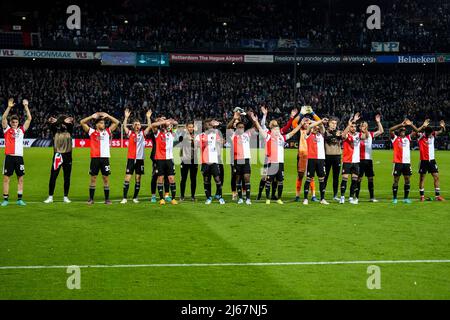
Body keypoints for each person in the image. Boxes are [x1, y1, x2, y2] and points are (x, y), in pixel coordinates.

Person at [250, 112, 302, 204]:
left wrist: (300, 125)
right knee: (268, 180)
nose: (277, 131)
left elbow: (293, 132)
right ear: (272, 130)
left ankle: (278, 199)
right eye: (275, 130)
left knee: (280, 181)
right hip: (271, 162)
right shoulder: (268, 137)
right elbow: (260, 129)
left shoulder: (282, 138)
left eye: (278, 130)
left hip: (280, 163)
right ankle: (267, 199)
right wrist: (255, 121)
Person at [80, 112, 120, 205]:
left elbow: (117, 122)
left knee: (105, 178)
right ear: (97, 124)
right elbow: (82, 122)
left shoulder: (107, 132)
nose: (103, 124)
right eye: (101, 123)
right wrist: (91, 116)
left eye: (104, 123)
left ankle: (107, 199)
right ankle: (91, 199)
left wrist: (108, 116)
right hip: (95, 158)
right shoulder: (92, 132)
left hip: (105, 158)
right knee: (93, 178)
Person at [1, 98, 32, 206]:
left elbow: (29, 118)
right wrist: (9, 107)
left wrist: (26, 106)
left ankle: (19, 199)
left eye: (16, 122)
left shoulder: (21, 130)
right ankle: (5, 200)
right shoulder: (7, 129)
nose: (14, 123)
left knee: (21, 179)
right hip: (9, 156)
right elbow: (3, 118)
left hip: (19, 157)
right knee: (6, 179)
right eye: (13, 122)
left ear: (18, 123)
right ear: (10, 123)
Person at [120, 108, 152, 204]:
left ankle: (135, 197)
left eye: (139, 124)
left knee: (138, 179)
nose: (137, 126)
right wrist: (126, 117)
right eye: (136, 124)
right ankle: (125, 198)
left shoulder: (143, 134)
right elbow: (124, 126)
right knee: (127, 178)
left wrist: (148, 117)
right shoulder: (130, 133)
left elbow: (150, 126)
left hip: (139, 160)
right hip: (131, 158)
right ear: (133, 126)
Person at [389, 119, 423, 204]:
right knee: (396, 180)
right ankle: (395, 198)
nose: (403, 131)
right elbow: (390, 130)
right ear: (399, 131)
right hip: (398, 162)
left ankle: (406, 198)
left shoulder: (408, 138)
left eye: (404, 130)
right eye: (401, 130)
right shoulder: (395, 138)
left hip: (407, 163)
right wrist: (401, 124)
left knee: (407, 180)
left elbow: (417, 131)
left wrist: (411, 124)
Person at [43, 115, 74, 204]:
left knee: (67, 177)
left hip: (68, 155)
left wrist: (66, 121)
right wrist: (57, 121)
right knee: (53, 176)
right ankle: (50, 197)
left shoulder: (70, 130)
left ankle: (65, 197)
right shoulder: (55, 130)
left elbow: (71, 124)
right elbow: (50, 124)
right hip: (58, 155)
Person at [229, 111, 257, 205]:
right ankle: (240, 198)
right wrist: (234, 118)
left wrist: (249, 116)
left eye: (242, 127)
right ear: (236, 128)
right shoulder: (233, 135)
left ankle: (248, 198)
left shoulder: (247, 135)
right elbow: (228, 127)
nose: (241, 129)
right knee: (238, 179)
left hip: (246, 159)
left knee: (246, 178)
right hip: (237, 160)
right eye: (239, 127)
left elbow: (255, 126)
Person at [354, 114, 384, 202]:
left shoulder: (371, 134)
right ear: (360, 127)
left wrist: (378, 122)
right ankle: (356, 197)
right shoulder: (357, 135)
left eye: (365, 125)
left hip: (369, 160)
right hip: (359, 160)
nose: (364, 127)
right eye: (362, 126)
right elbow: (365, 136)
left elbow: (381, 131)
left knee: (370, 178)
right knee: (359, 179)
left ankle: (372, 197)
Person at [339, 113, 367, 205]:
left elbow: (365, 136)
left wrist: (365, 130)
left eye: (354, 127)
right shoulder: (347, 135)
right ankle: (342, 197)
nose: (353, 128)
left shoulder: (358, 135)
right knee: (345, 179)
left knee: (354, 180)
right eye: (352, 127)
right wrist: (349, 124)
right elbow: (343, 135)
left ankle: (351, 197)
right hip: (347, 160)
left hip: (356, 161)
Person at [196, 119, 225, 205]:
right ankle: (208, 198)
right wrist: (203, 143)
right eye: (208, 124)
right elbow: (196, 145)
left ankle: (220, 197)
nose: (210, 126)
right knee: (206, 180)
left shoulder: (215, 135)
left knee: (217, 179)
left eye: (210, 124)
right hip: (204, 162)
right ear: (205, 126)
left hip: (214, 161)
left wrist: (220, 141)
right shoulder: (200, 136)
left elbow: (222, 143)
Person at [150, 117, 179, 205]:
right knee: (160, 178)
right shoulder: (157, 133)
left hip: (169, 159)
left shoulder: (171, 133)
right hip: (159, 159)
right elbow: (152, 125)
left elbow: (176, 124)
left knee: (171, 178)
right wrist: (164, 121)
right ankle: (161, 198)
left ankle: (173, 198)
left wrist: (173, 122)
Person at [417, 119, 446, 201]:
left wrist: (443, 127)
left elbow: (441, 131)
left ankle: (437, 196)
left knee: (436, 177)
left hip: (432, 160)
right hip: (423, 160)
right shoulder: (421, 136)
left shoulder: (432, 134)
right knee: (422, 178)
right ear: (426, 133)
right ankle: (422, 196)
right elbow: (416, 131)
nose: (431, 135)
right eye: (429, 134)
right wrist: (423, 125)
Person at [303, 118, 329, 205]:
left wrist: (319, 122)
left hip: (321, 159)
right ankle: (305, 199)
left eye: (316, 127)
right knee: (308, 179)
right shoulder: (307, 135)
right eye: (315, 127)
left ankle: (322, 199)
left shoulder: (321, 135)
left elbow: (321, 126)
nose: (315, 128)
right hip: (311, 159)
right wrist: (316, 122)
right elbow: (310, 126)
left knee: (322, 179)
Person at [178, 122, 199, 201]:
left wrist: (194, 139)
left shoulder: (196, 136)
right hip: (185, 160)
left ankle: (193, 196)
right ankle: (182, 196)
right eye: (189, 127)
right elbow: (180, 139)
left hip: (194, 160)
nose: (191, 128)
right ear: (186, 127)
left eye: (192, 127)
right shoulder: (183, 135)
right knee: (183, 179)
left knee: (193, 179)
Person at [324, 117, 342, 201]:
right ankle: (322, 195)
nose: (334, 125)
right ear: (329, 123)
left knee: (336, 177)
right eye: (332, 123)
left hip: (337, 156)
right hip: (327, 156)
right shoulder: (325, 132)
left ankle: (335, 195)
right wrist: (335, 135)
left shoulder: (339, 132)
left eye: (335, 123)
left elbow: (340, 138)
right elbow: (327, 139)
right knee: (325, 176)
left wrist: (337, 134)